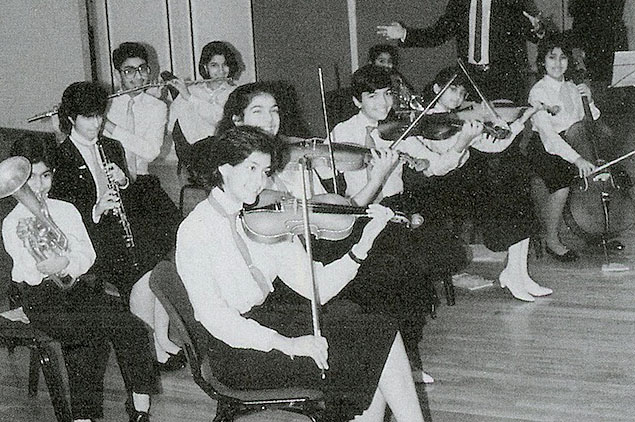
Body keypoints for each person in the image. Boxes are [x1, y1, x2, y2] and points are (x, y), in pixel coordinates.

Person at [176, 125, 425, 422]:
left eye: (265, 171)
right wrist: (290, 344)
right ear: (224, 168)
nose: (259, 181)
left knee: (381, 330)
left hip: (265, 321)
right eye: (251, 168)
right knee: (372, 347)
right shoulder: (195, 229)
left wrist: (363, 244)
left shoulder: (264, 218)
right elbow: (216, 318)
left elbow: (317, 287)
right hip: (234, 351)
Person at [2, 135, 159, 422]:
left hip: (77, 289)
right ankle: (83, 417)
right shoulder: (12, 222)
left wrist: (67, 265)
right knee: (86, 338)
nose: (39, 186)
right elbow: (24, 271)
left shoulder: (66, 210)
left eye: (46, 176)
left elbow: (88, 254)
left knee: (131, 326)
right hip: (41, 298)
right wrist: (44, 267)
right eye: (32, 179)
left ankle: (139, 406)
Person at [397, 66, 551, 301]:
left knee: (518, 194)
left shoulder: (461, 120)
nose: (458, 97)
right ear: (437, 88)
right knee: (505, 197)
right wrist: (462, 141)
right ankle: (512, 273)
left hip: (462, 183)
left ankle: (518, 272)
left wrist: (523, 119)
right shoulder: (421, 122)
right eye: (452, 90)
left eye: (462, 92)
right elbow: (438, 168)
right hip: (438, 189)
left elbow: (496, 145)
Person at [102, 42, 185, 370]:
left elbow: (150, 151)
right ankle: (149, 343)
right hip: (112, 191)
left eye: (140, 70)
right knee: (140, 270)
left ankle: (161, 338)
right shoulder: (106, 106)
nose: (135, 77)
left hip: (143, 190)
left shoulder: (156, 107)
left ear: (148, 72)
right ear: (119, 75)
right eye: (127, 71)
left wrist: (110, 128)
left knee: (162, 263)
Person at [527, 35, 607, 262]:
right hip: (545, 146)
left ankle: (595, 228)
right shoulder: (539, 91)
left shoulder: (572, 87)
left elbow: (587, 122)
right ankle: (552, 240)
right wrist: (578, 159)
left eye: (563, 58)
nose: (558, 63)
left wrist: (589, 100)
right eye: (552, 57)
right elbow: (549, 137)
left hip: (574, 141)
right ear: (542, 61)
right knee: (561, 183)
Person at [377, 0, 546, 102]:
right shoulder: (460, 2)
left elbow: (534, 34)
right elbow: (438, 34)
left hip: (504, 79)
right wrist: (404, 33)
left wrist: (537, 27)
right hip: (470, 79)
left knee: (507, 141)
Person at [168, 41, 238, 171]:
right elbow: (171, 123)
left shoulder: (235, 93)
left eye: (225, 65)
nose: (221, 71)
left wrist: (189, 97)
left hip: (224, 154)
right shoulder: (192, 90)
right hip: (193, 153)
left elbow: (221, 119)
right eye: (214, 65)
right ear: (205, 67)